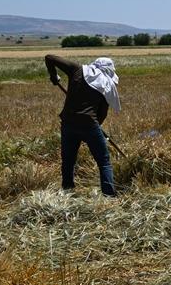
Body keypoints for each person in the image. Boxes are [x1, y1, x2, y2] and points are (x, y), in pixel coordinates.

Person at [44, 54, 120, 197]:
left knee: (68, 161)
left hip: (68, 123)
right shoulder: (106, 85)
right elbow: (102, 114)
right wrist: (92, 131)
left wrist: (53, 76)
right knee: (104, 161)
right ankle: (109, 196)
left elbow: (49, 58)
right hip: (89, 124)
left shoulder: (77, 70)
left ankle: (67, 191)